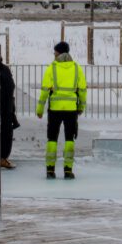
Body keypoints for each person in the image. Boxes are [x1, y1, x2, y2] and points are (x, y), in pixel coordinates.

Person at [39, 38, 87, 179]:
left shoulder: (51, 68)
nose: (54, 55)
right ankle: (68, 170)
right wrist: (81, 106)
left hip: (54, 110)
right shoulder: (77, 69)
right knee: (69, 139)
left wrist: (40, 109)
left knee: (52, 139)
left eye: (55, 52)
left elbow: (44, 91)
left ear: (58, 53)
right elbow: (82, 90)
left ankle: (50, 170)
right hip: (71, 110)